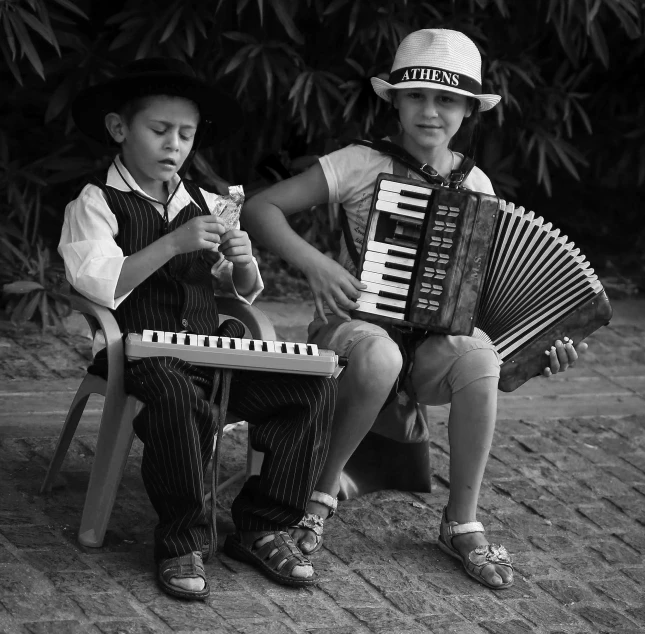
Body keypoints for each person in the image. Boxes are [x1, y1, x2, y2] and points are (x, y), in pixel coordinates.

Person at [242, 28, 587, 590]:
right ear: (395, 101)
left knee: (479, 356)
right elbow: (261, 209)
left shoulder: (475, 182)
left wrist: (532, 351)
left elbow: (480, 292)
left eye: (447, 99)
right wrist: (317, 265)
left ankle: (461, 520)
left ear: (469, 111)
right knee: (378, 354)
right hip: (353, 328)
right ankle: (318, 498)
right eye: (417, 96)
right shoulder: (358, 163)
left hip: (426, 345)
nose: (430, 111)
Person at [58, 58, 337, 601]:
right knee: (175, 395)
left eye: (185, 135)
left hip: (211, 351)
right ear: (120, 129)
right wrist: (172, 243)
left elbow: (236, 290)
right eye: (159, 131)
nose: (175, 146)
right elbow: (100, 286)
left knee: (310, 387)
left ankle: (262, 524)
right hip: (139, 355)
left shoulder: (207, 203)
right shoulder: (96, 203)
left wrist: (243, 259)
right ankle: (181, 538)